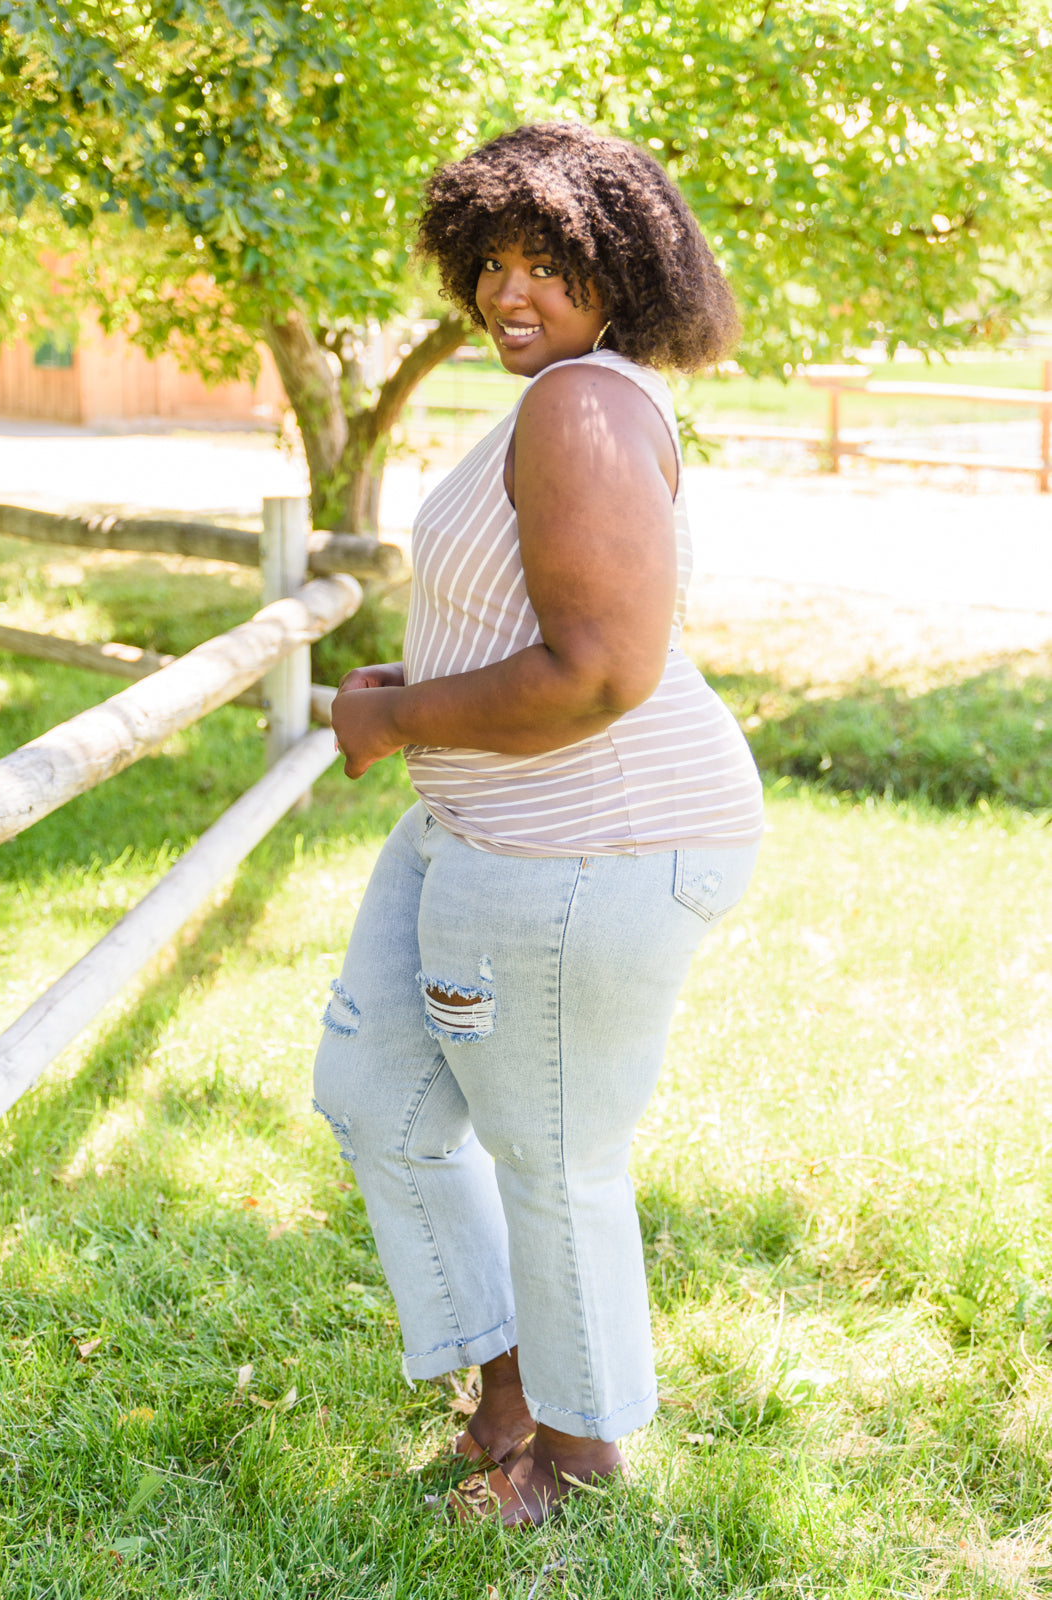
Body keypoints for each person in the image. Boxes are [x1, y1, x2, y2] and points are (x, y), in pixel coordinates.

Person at [314, 122, 763, 1526]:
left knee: (554, 1153)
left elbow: (601, 675)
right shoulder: (556, 392)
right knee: (377, 1100)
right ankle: (502, 1388)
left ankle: (578, 1463)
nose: (512, 292)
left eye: (551, 263)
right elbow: (529, 621)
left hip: (593, 846)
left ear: (620, 268)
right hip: (482, 826)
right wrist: (422, 688)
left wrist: (394, 722)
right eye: (492, 260)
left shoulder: (583, 405)